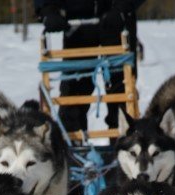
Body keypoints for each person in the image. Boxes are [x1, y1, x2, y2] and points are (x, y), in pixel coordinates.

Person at [35, 1, 143, 134]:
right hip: (77, 21)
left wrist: (124, 7)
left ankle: (124, 142)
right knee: (74, 89)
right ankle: (72, 144)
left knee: (121, 90)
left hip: (118, 19)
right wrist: (47, 8)